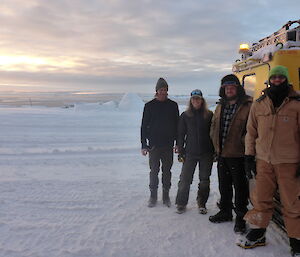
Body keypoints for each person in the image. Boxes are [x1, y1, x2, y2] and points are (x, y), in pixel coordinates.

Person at [237, 66, 300, 257]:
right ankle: (259, 232)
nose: (277, 80)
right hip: (263, 161)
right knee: (261, 200)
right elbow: (251, 132)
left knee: (292, 203)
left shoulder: (297, 104)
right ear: (270, 80)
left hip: (289, 163)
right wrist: (249, 157)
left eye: (281, 77)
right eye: (275, 77)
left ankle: (296, 240)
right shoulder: (259, 104)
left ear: (286, 80)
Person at [209, 74, 252, 234]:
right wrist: (215, 147)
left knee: (241, 189)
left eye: (232, 87)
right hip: (222, 154)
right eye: (226, 88)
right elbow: (214, 127)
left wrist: (245, 146)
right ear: (223, 89)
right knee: (224, 186)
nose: (229, 90)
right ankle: (226, 212)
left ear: (237, 88)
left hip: (239, 155)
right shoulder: (220, 106)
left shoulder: (248, 105)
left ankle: (241, 218)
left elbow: (252, 130)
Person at [141, 77, 179, 208]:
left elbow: (177, 126)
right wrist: (144, 145)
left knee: (167, 171)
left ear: (167, 91)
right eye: (160, 89)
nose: (163, 92)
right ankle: (153, 196)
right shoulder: (149, 106)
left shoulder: (173, 105)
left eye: (165, 90)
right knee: (154, 171)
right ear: (156, 91)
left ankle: (166, 195)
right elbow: (143, 126)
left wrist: (178, 143)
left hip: (168, 145)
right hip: (154, 146)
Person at [175, 89, 214, 214]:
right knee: (185, 180)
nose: (196, 101)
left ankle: (201, 203)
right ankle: (181, 203)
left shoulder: (209, 115)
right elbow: (180, 135)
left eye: (198, 98)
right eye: (193, 99)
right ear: (191, 101)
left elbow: (214, 134)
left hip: (206, 153)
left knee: (204, 180)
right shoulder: (185, 116)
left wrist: (215, 151)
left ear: (202, 100)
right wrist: (180, 150)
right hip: (190, 153)